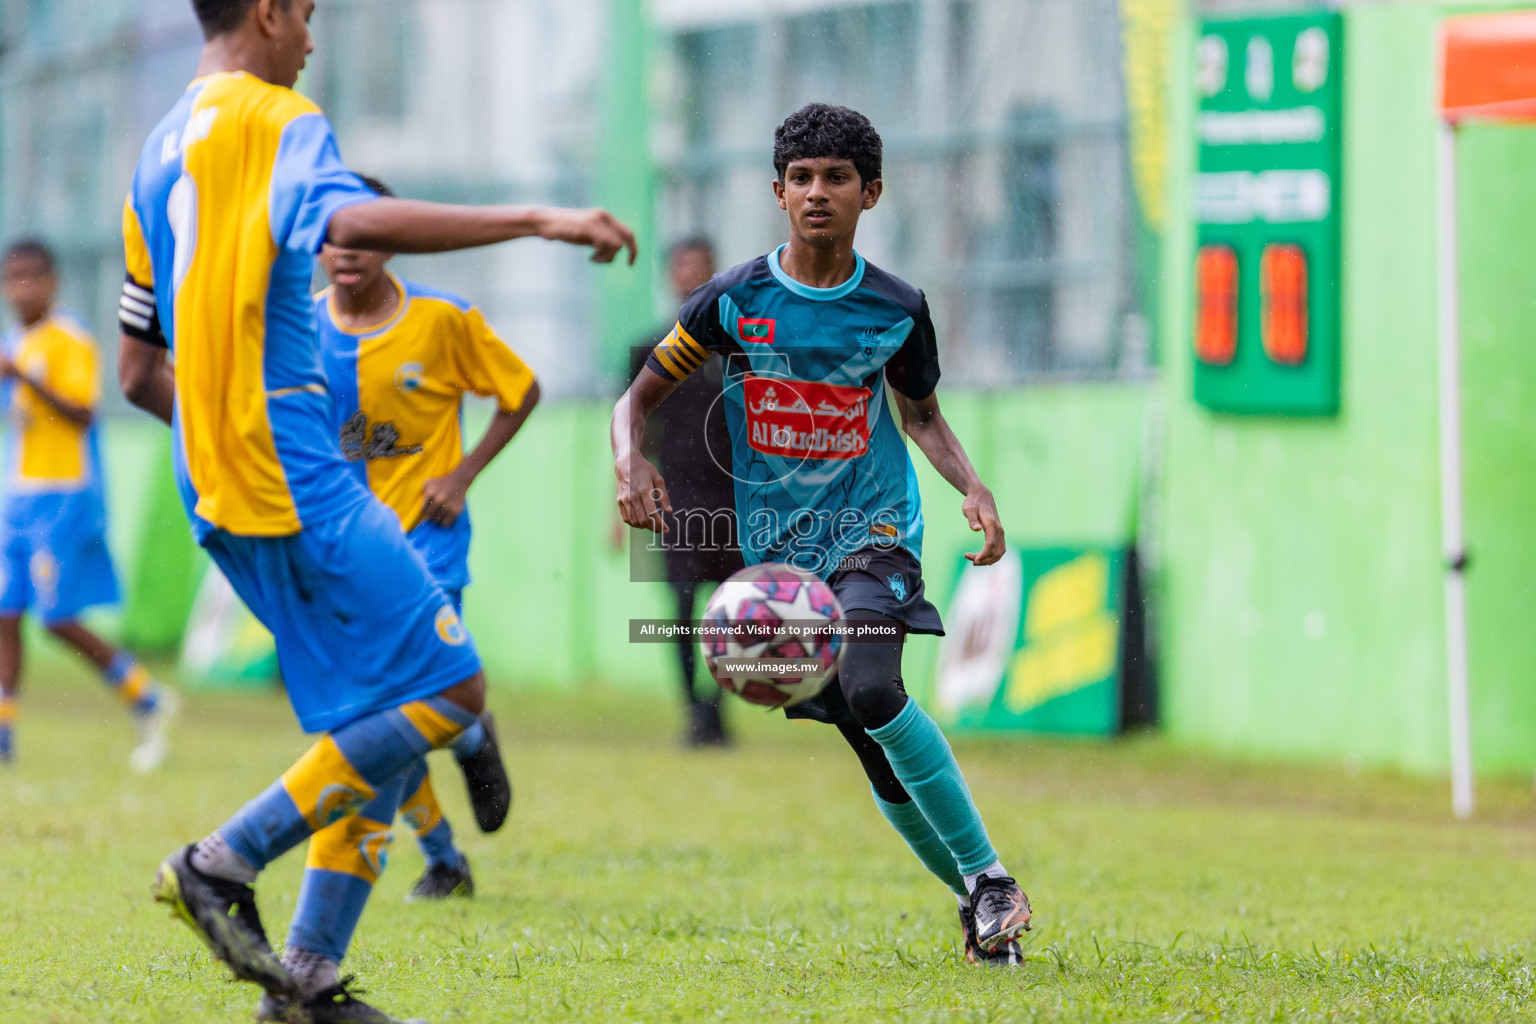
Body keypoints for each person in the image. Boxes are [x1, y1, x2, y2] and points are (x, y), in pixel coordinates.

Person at [116, 1, 634, 1021]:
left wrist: (220, 425)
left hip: (214, 483)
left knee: (374, 724)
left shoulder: (154, 150)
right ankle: (221, 864)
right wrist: (540, 216)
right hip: (296, 474)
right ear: (267, 12)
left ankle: (302, 980)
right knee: (453, 692)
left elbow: (139, 371)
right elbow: (349, 221)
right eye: (306, 15)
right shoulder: (277, 117)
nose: (311, 38)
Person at [612, 103, 1030, 966]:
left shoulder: (896, 308)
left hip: (873, 534)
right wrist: (631, 460)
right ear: (777, 192)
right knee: (866, 743)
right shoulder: (734, 302)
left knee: (876, 691)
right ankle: (974, 906)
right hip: (781, 562)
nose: (817, 193)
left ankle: (991, 878)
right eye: (801, 178)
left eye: (837, 178)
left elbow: (924, 418)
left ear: (870, 193)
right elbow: (637, 398)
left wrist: (975, 486)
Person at [316, 174, 534, 901]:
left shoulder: (441, 320)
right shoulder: (300, 332)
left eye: (367, 234)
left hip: (427, 539)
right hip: (343, 551)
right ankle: (444, 855)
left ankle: (468, 741)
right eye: (332, 235)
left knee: (413, 702)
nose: (347, 251)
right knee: (382, 715)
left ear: (395, 240)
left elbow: (519, 391)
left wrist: (462, 475)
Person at [0, 240, 177, 771]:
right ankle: (4, 734)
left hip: (64, 494)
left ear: (53, 282)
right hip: (18, 494)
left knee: (56, 618)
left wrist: (24, 376)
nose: (22, 289)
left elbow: (82, 414)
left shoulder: (69, 340)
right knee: (5, 613)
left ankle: (146, 694)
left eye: (32, 278)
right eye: (13, 279)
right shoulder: (16, 340)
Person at [627, 238, 742, 747]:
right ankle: (693, 709)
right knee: (679, 605)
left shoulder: (741, 349)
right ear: (670, 276)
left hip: (736, 499)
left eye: (700, 267)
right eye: (682, 267)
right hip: (675, 498)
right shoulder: (649, 350)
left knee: (734, 605)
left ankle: (718, 705)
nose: (690, 274)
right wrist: (626, 493)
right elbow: (634, 430)